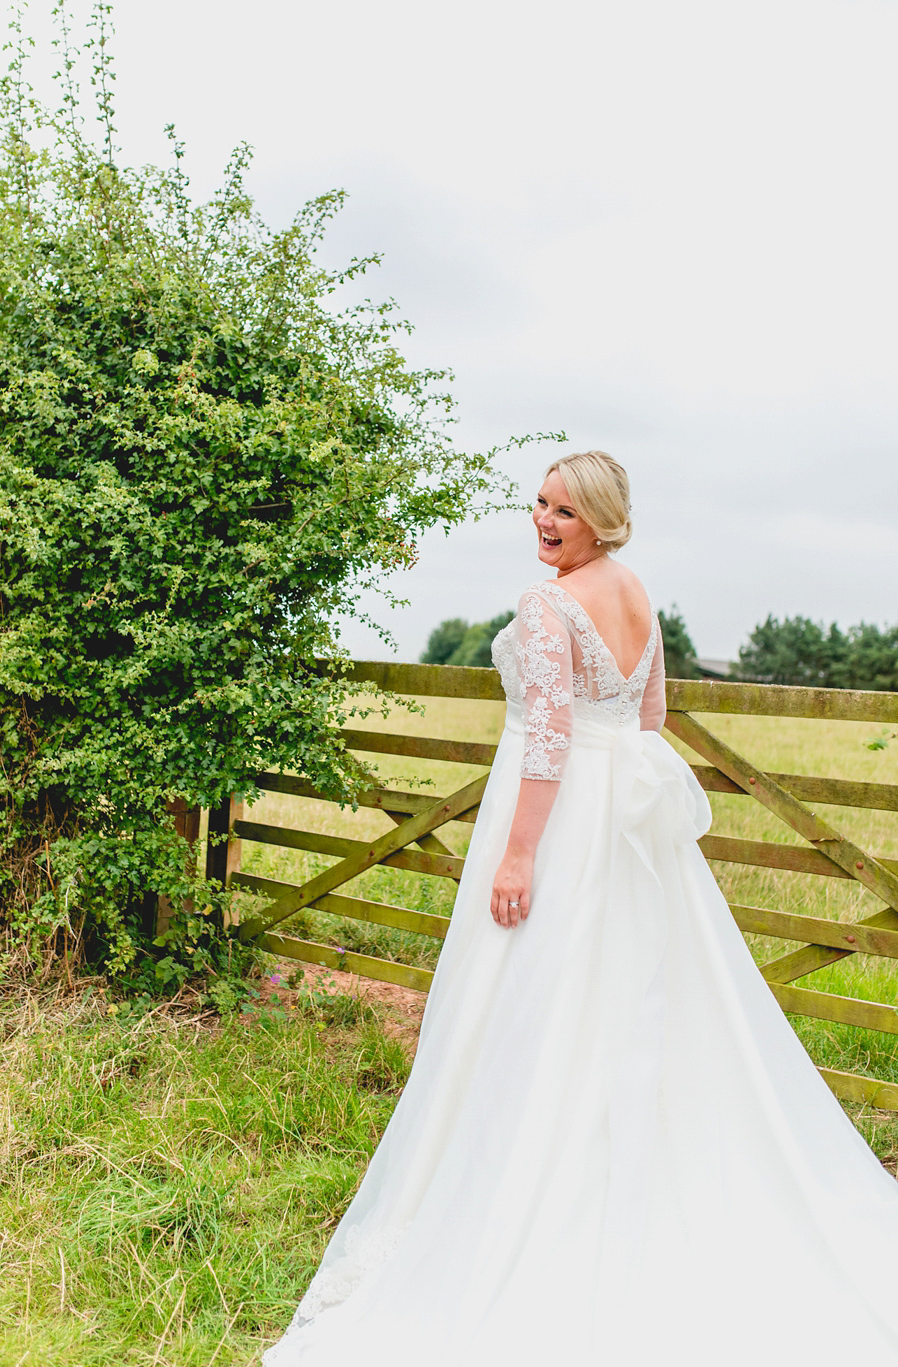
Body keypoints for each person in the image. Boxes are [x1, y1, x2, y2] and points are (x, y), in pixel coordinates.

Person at [264, 451, 898, 1366]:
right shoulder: (637, 592)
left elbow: (551, 736)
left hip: (554, 818)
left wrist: (521, 850)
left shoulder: (547, 603)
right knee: (628, 992)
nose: (543, 521)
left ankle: (527, 1188)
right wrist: (615, 801)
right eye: (539, 504)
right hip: (623, 826)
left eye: (564, 509)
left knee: (535, 995)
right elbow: (650, 720)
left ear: (601, 517)